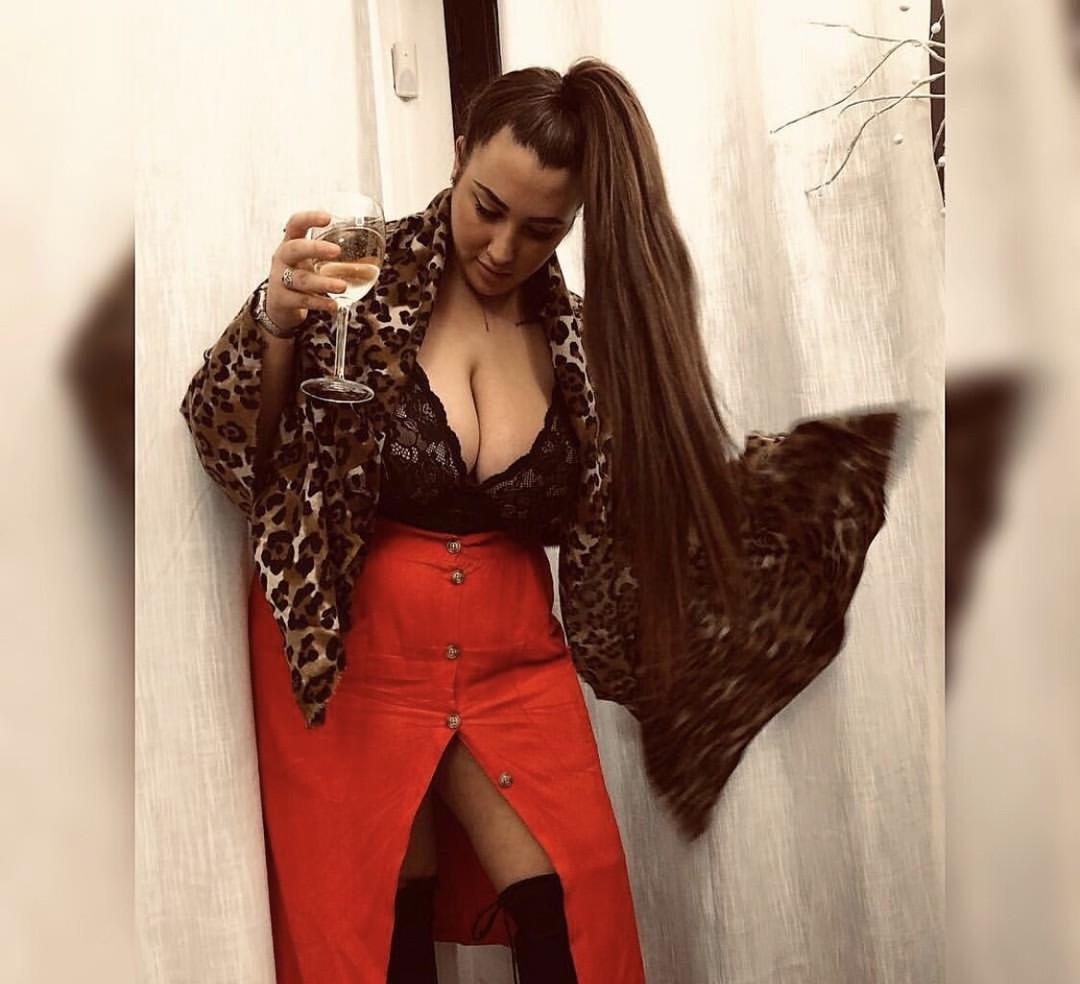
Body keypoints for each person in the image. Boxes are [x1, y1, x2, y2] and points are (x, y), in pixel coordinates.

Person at [182, 57, 900, 984]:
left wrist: (783, 503)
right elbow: (234, 451)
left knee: (575, 910)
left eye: (542, 228)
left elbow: (626, 523)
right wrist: (275, 323)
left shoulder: (583, 341)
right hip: (348, 657)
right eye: (487, 207)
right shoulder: (355, 283)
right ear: (458, 156)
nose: (501, 247)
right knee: (376, 935)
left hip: (513, 662)